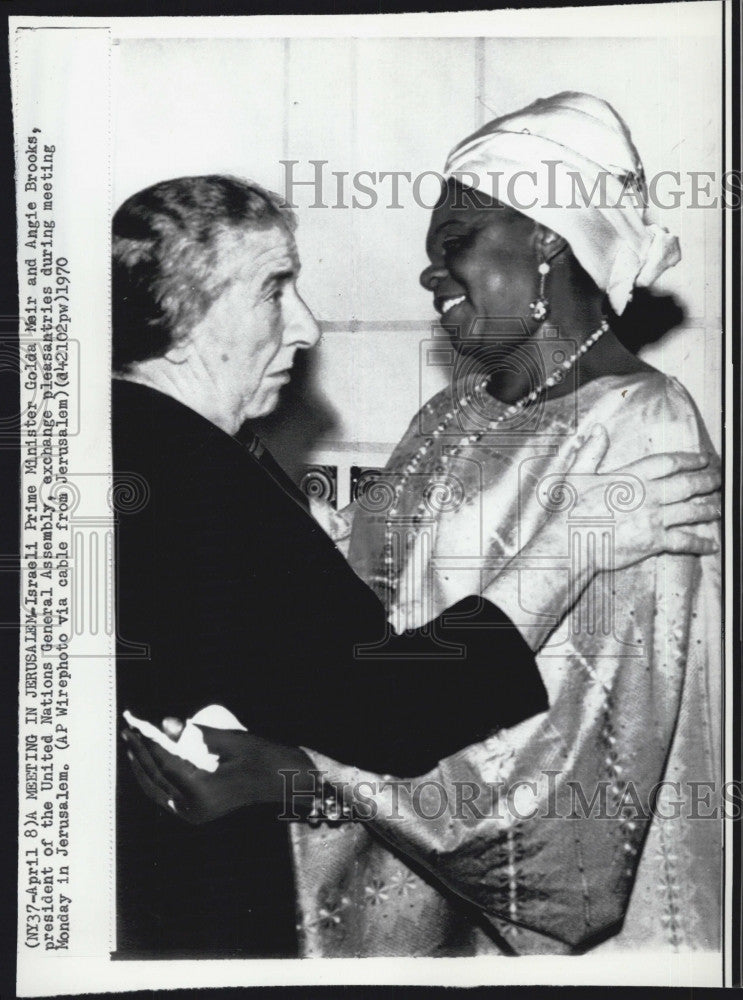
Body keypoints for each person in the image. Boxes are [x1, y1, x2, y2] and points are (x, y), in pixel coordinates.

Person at [119, 161, 720, 957]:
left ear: (549, 242)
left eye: (457, 239)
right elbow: (386, 710)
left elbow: (596, 750)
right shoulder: (198, 473)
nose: (305, 327)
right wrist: (576, 544)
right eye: (273, 289)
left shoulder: (641, 420)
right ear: (178, 311)